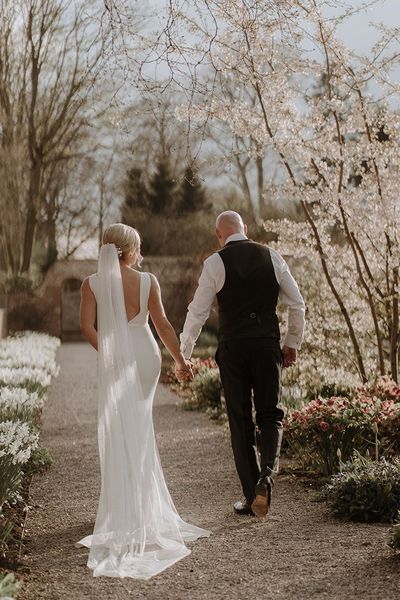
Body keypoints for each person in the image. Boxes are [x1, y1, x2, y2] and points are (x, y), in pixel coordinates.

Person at [77, 223, 209, 579]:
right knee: (141, 426)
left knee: (120, 429)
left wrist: (108, 353)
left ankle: (124, 510)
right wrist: (181, 362)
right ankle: (141, 510)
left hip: (117, 357)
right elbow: (163, 324)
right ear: (131, 249)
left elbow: (86, 326)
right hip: (146, 355)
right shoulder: (148, 280)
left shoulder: (91, 283)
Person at [180, 211, 305, 518]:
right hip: (265, 344)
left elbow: (197, 313)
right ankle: (266, 476)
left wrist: (184, 353)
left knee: (240, 420)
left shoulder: (214, 262)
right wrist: (291, 343)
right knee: (271, 414)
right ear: (245, 230)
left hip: (233, 347)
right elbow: (297, 303)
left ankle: (252, 497)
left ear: (218, 235)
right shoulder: (272, 256)